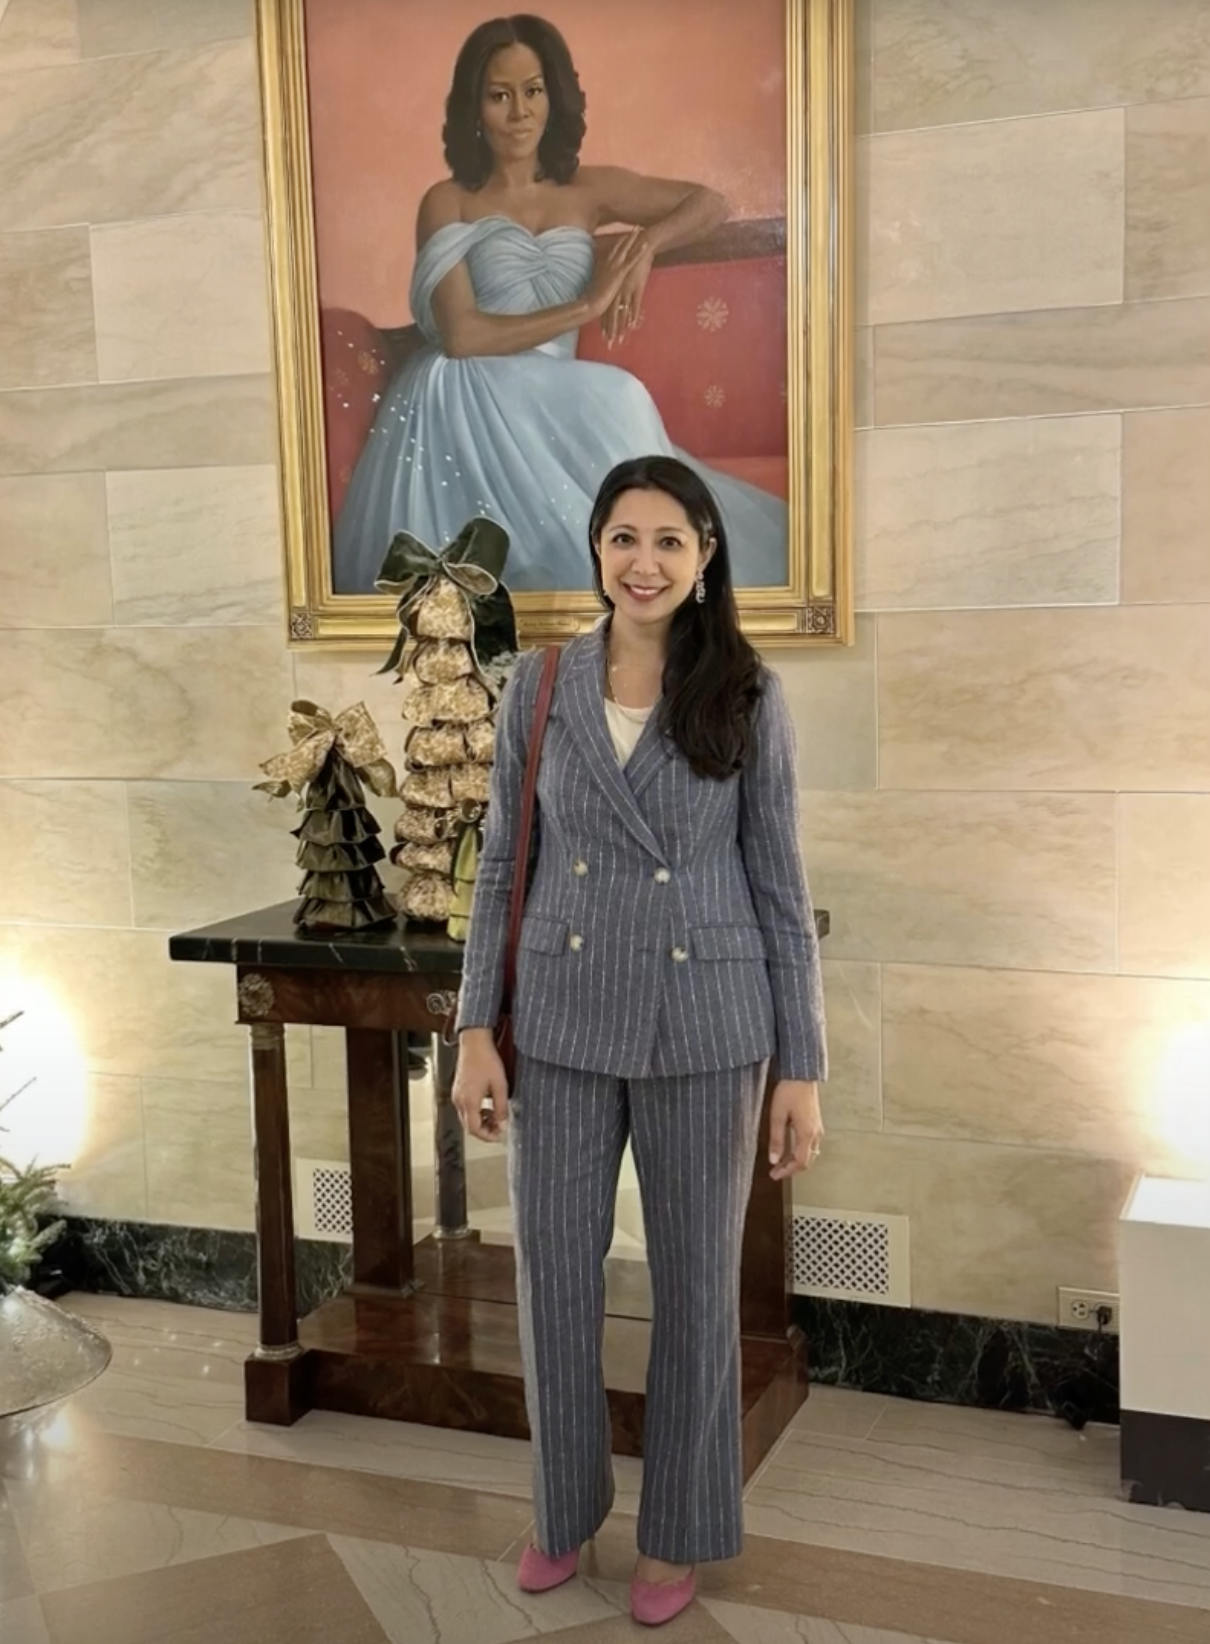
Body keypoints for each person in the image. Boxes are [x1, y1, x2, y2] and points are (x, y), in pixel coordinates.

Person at [452, 455, 827, 1627]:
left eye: (670, 540)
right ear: (597, 548)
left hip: (707, 1023)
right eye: (624, 537)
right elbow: (501, 868)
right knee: (552, 1281)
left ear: (706, 555)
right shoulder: (539, 683)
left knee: (698, 1291)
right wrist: (474, 1029)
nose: (645, 562)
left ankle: (679, 1533)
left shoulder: (746, 692)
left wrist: (802, 1067)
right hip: (561, 1019)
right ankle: (561, 1510)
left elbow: (780, 887)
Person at [332, 14, 789, 597]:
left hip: (549, 386)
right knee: (618, 394)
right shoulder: (447, 200)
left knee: (617, 401)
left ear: (554, 97)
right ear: (474, 108)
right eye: (499, 95)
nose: (519, 112)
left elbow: (711, 203)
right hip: (463, 387)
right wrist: (587, 305)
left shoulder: (586, 189)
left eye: (533, 91)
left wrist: (647, 243)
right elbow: (462, 336)